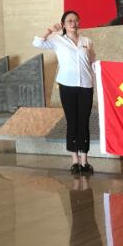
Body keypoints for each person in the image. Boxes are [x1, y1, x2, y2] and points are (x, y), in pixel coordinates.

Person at [33, 10, 96, 174]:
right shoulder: (57, 40)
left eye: (76, 20)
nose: (73, 23)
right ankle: (75, 160)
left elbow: (93, 62)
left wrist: (105, 73)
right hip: (67, 86)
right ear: (63, 24)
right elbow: (37, 42)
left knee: (84, 122)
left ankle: (85, 160)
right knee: (72, 121)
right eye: (70, 21)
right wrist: (49, 30)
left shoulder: (87, 41)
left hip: (86, 86)